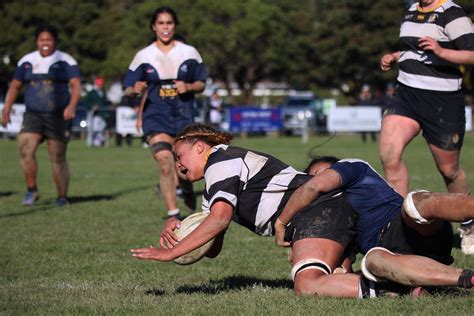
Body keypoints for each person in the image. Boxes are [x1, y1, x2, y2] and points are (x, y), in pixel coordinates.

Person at [131, 123, 474, 298]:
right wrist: (187, 237)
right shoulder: (214, 185)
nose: (178, 165)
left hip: (312, 210)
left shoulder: (221, 161)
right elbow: (216, 238)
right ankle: (392, 288)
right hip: (315, 215)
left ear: (201, 147)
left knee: (308, 283)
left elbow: (219, 219)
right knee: (314, 283)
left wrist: (170, 254)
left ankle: (390, 286)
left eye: (180, 157)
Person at [273, 155, 474, 295]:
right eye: (312, 175)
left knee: (415, 204)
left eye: (322, 172)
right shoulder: (332, 220)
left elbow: (314, 186)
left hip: (405, 224)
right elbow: (342, 266)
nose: (317, 179)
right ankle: (465, 278)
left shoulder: (353, 168)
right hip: (400, 258)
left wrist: (281, 222)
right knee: (372, 261)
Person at [379, 0, 474, 252]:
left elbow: (471, 54)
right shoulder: (411, 10)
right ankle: (398, 228)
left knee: (449, 170)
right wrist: (395, 56)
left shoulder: (451, 13)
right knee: (390, 154)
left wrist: (443, 52)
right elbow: (414, 49)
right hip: (406, 96)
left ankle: (468, 223)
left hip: (442, 102)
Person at [123, 6, 206, 218]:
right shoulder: (144, 56)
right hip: (156, 116)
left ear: (174, 26)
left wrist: (189, 87)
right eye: (161, 23)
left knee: (184, 170)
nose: (165, 27)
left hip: (183, 115)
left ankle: (187, 190)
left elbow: (201, 83)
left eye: (169, 23)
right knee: (165, 162)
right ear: (153, 27)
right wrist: (134, 90)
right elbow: (128, 88)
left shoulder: (189, 52)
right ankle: (173, 213)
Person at [1, 25, 81, 206]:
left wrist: (72, 106)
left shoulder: (65, 61)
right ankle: (31, 190)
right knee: (25, 149)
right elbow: (14, 86)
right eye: (42, 40)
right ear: (37, 42)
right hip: (33, 115)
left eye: (49, 39)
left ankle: (62, 197)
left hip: (57, 116)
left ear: (55, 42)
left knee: (57, 157)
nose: (45, 43)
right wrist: (6, 109)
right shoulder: (27, 61)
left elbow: (76, 86)